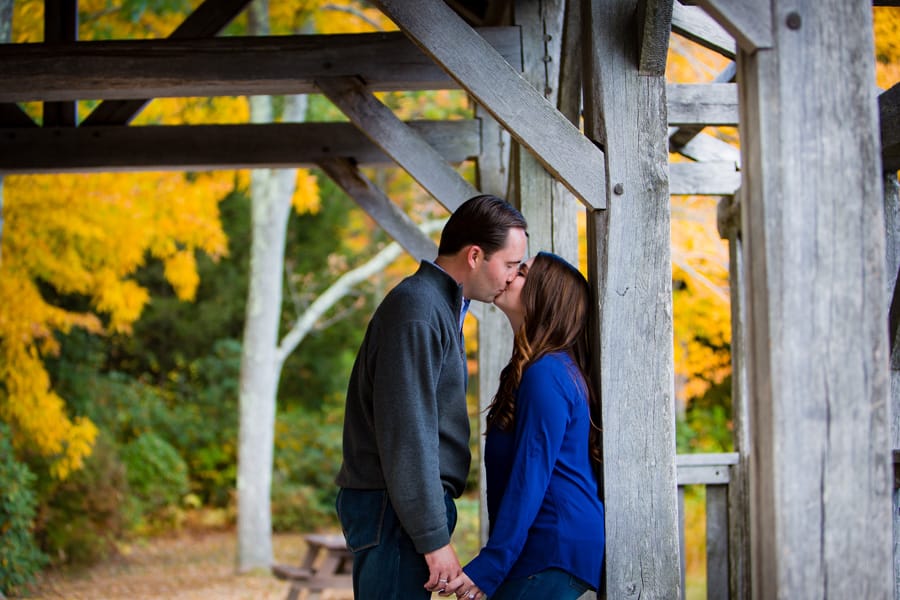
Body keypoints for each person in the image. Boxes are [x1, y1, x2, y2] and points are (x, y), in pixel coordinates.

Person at [334, 194, 529, 600]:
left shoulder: (439, 307)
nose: (512, 278)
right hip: (392, 511)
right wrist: (432, 539)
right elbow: (408, 435)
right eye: (510, 265)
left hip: (399, 509)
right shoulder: (419, 310)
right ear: (475, 255)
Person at [441, 251, 605, 600]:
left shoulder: (547, 374)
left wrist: (491, 565)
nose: (509, 275)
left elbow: (531, 475)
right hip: (539, 547)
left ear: (545, 296)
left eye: (522, 272)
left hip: (552, 545)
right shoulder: (530, 370)